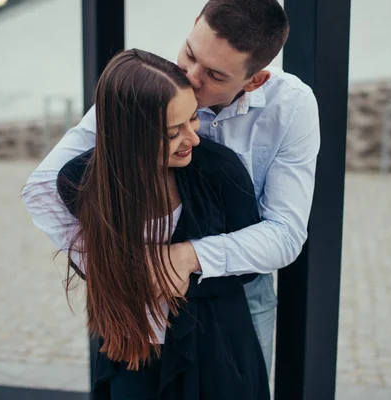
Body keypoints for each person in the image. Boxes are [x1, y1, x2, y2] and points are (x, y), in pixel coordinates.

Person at [21, 0, 320, 376]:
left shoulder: (292, 107)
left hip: (239, 295)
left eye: (213, 74)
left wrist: (185, 256)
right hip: (137, 297)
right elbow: (43, 188)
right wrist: (112, 267)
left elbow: (286, 234)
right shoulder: (150, 88)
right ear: (194, 24)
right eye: (189, 54)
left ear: (255, 79)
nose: (191, 78)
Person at [55, 49, 269, 399]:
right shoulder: (78, 181)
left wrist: (185, 268)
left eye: (192, 119)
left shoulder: (221, 171)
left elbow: (248, 268)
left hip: (213, 354)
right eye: (173, 132)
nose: (194, 138)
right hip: (130, 354)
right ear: (128, 135)